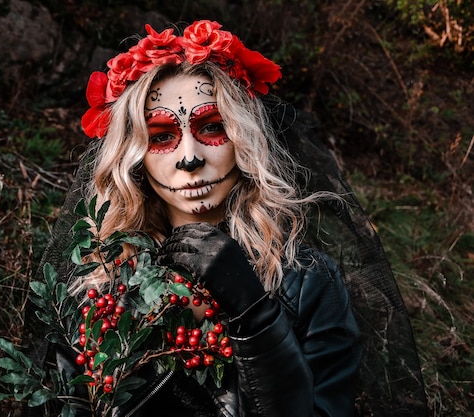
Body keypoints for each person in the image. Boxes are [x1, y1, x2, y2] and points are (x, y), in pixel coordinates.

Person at [28, 20, 427, 417]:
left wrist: (253, 312)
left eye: (212, 127)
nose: (190, 157)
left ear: (244, 138)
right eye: (162, 136)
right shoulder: (101, 283)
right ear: (135, 154)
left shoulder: (309, 282)